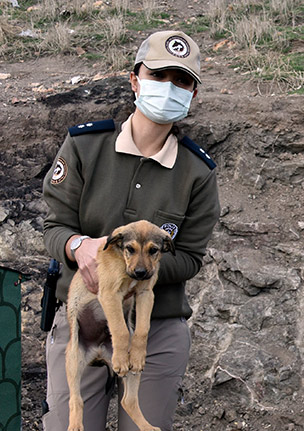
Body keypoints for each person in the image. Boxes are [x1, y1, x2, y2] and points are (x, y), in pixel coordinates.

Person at [42, 30, 220, 430]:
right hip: (84, 320)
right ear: (135, 80)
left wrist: (135, 271)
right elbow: (54, 226)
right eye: (158, 76)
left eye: (182, 81)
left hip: (153, 332)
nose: (168, 88)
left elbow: (190, 257)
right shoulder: (85, 145)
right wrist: (77, 246)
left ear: (192, 96)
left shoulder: (198, 172)